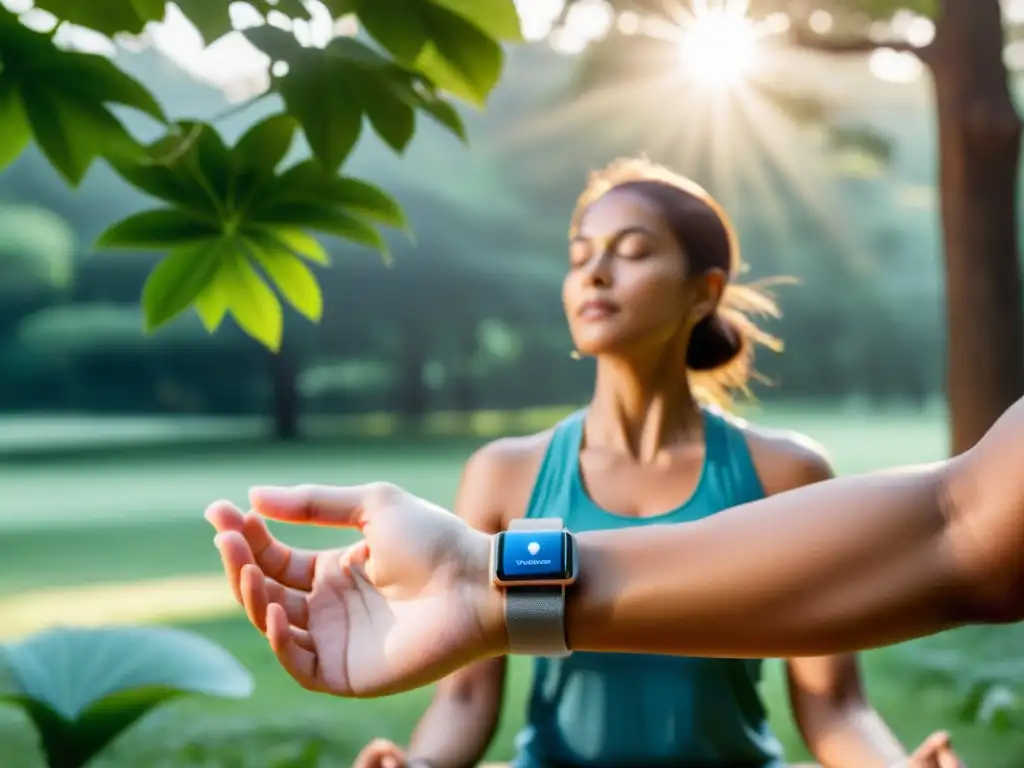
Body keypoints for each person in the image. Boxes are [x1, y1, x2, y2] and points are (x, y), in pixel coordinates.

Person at [207, 159, 969, 767]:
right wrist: (423, 764)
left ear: (704, 292)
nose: (595, 273)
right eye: (581, 256)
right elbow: (469, 698)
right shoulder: (504, 474)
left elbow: (833, 704)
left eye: (632, 252)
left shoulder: (785, 474)